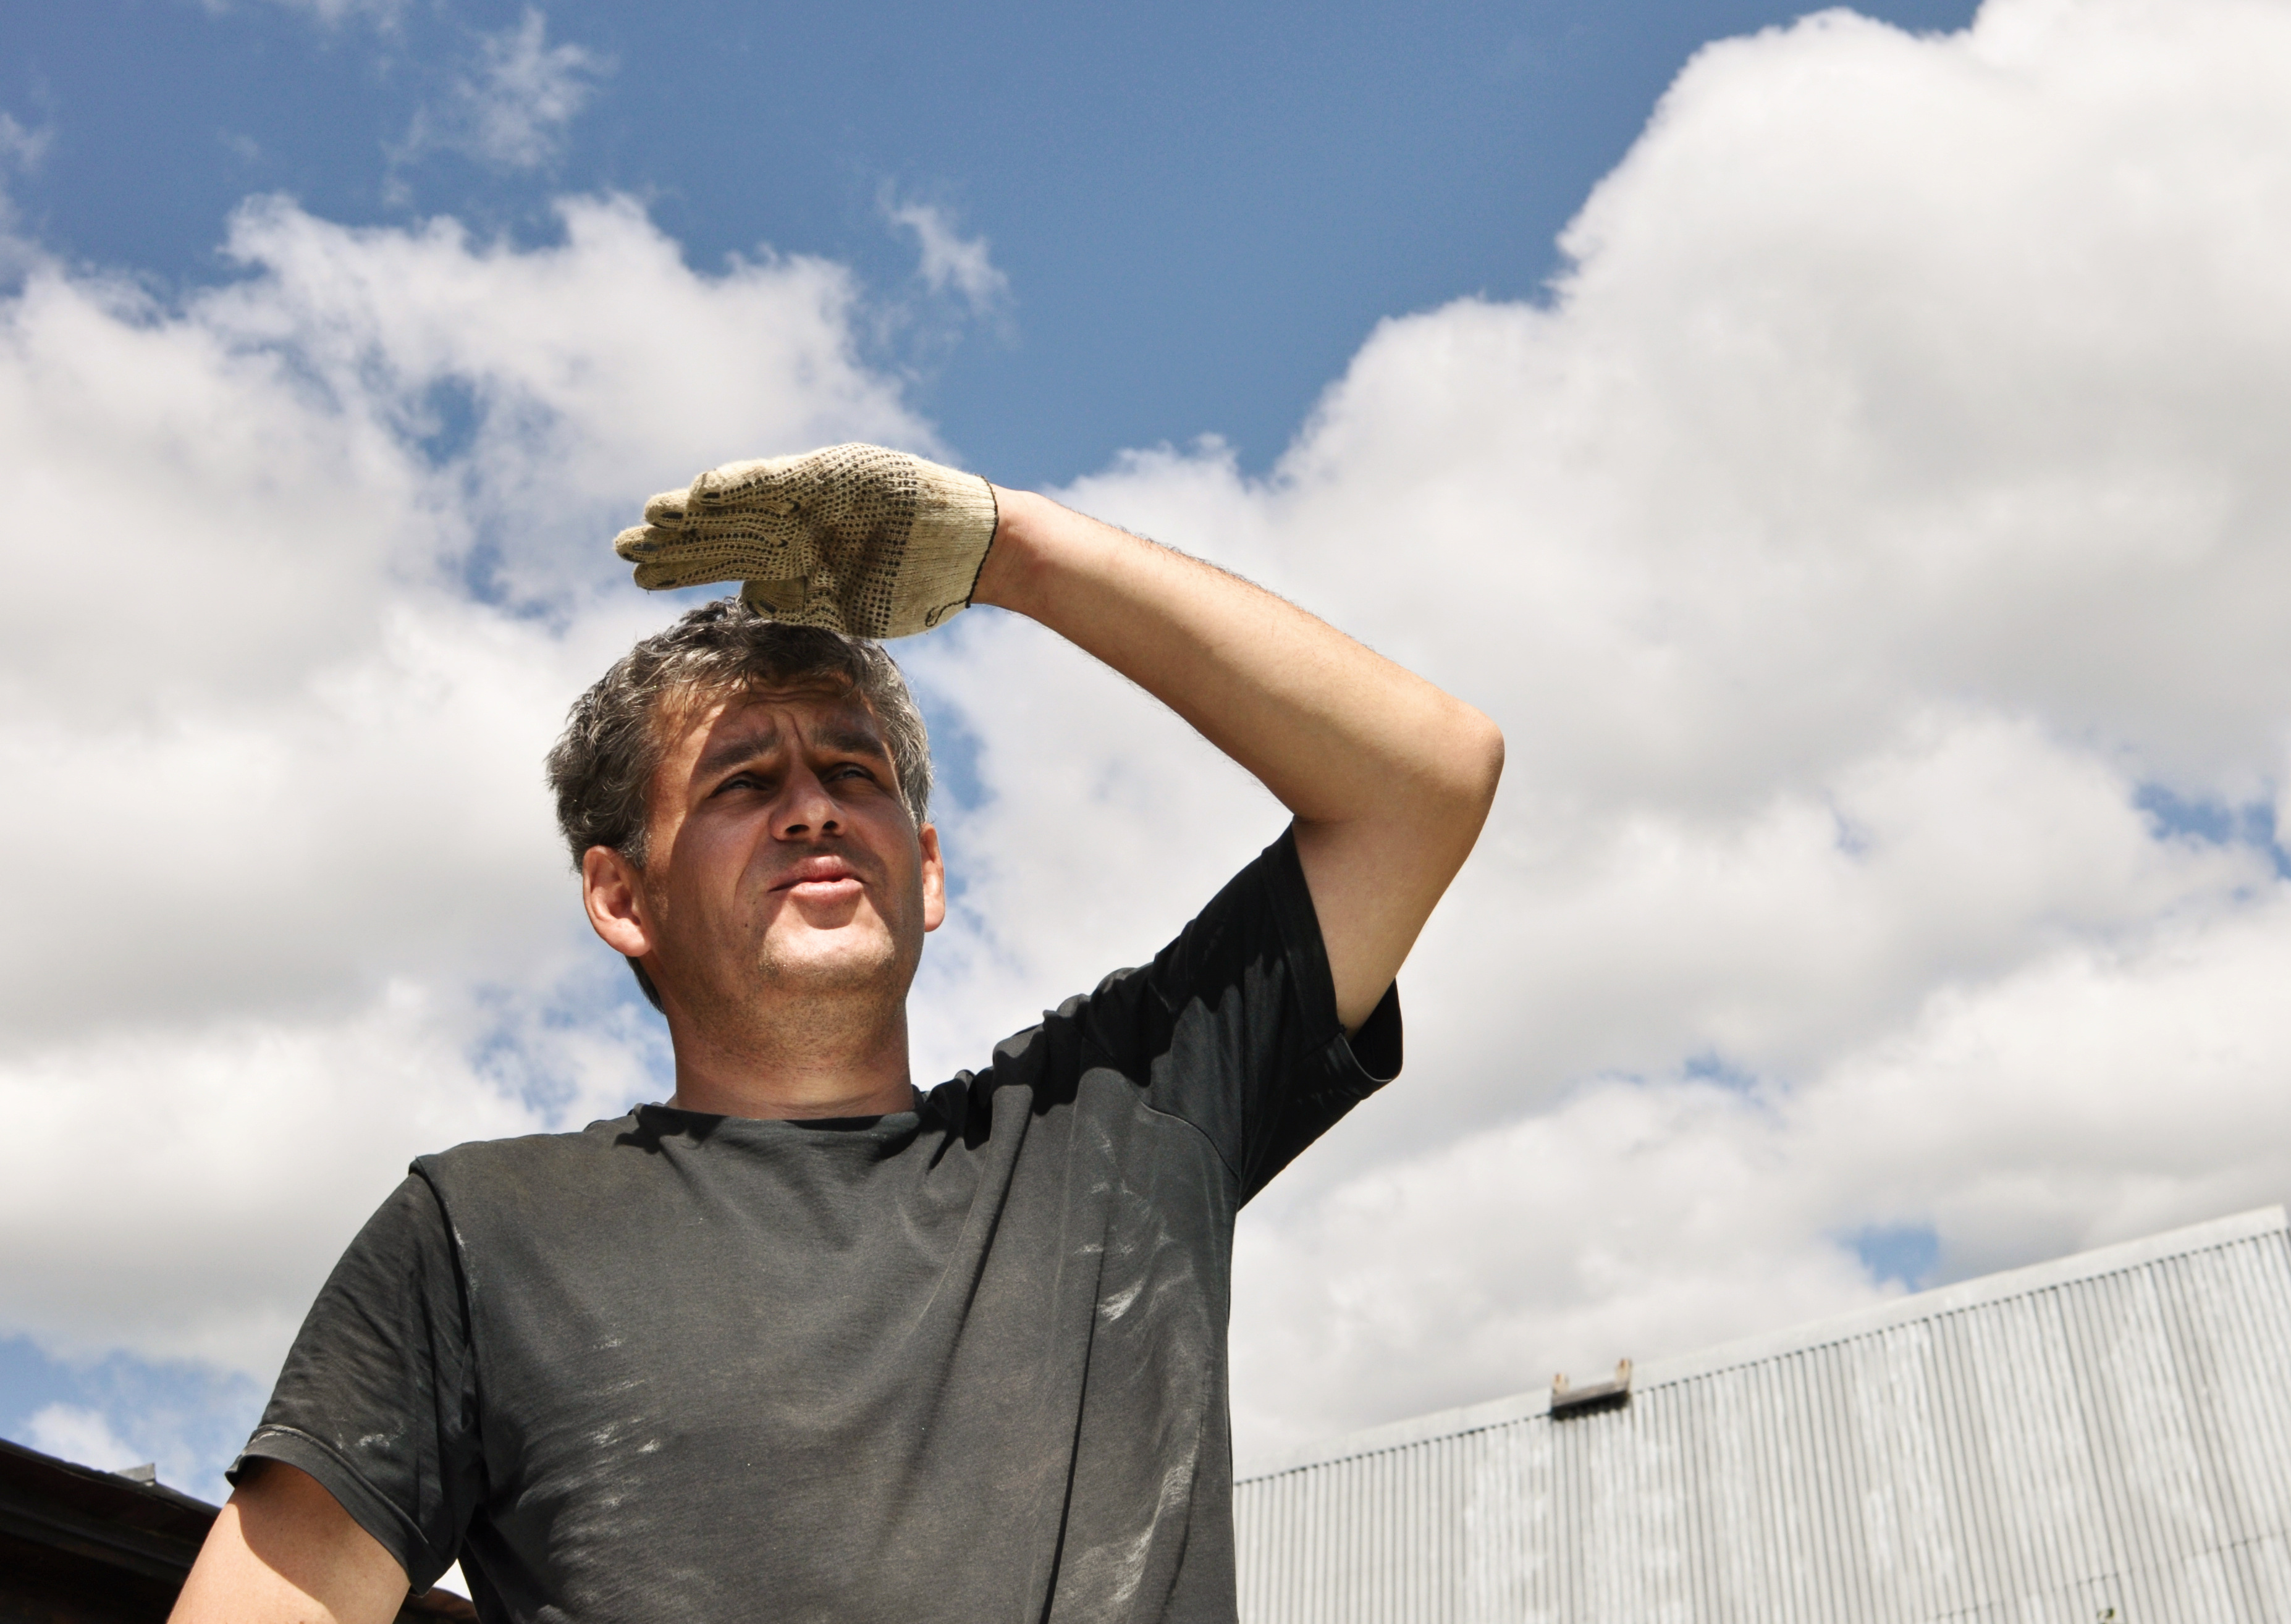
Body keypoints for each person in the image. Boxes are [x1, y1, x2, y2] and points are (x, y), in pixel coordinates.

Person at [171, 445, 1504, 1623]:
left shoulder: (1117, 1123)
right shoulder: (480, 1237)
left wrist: (1010, 551)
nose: (812, 809)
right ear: (620, 895)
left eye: (853, 773)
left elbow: (1425, 777)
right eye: (746, 782)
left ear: (924, 868)